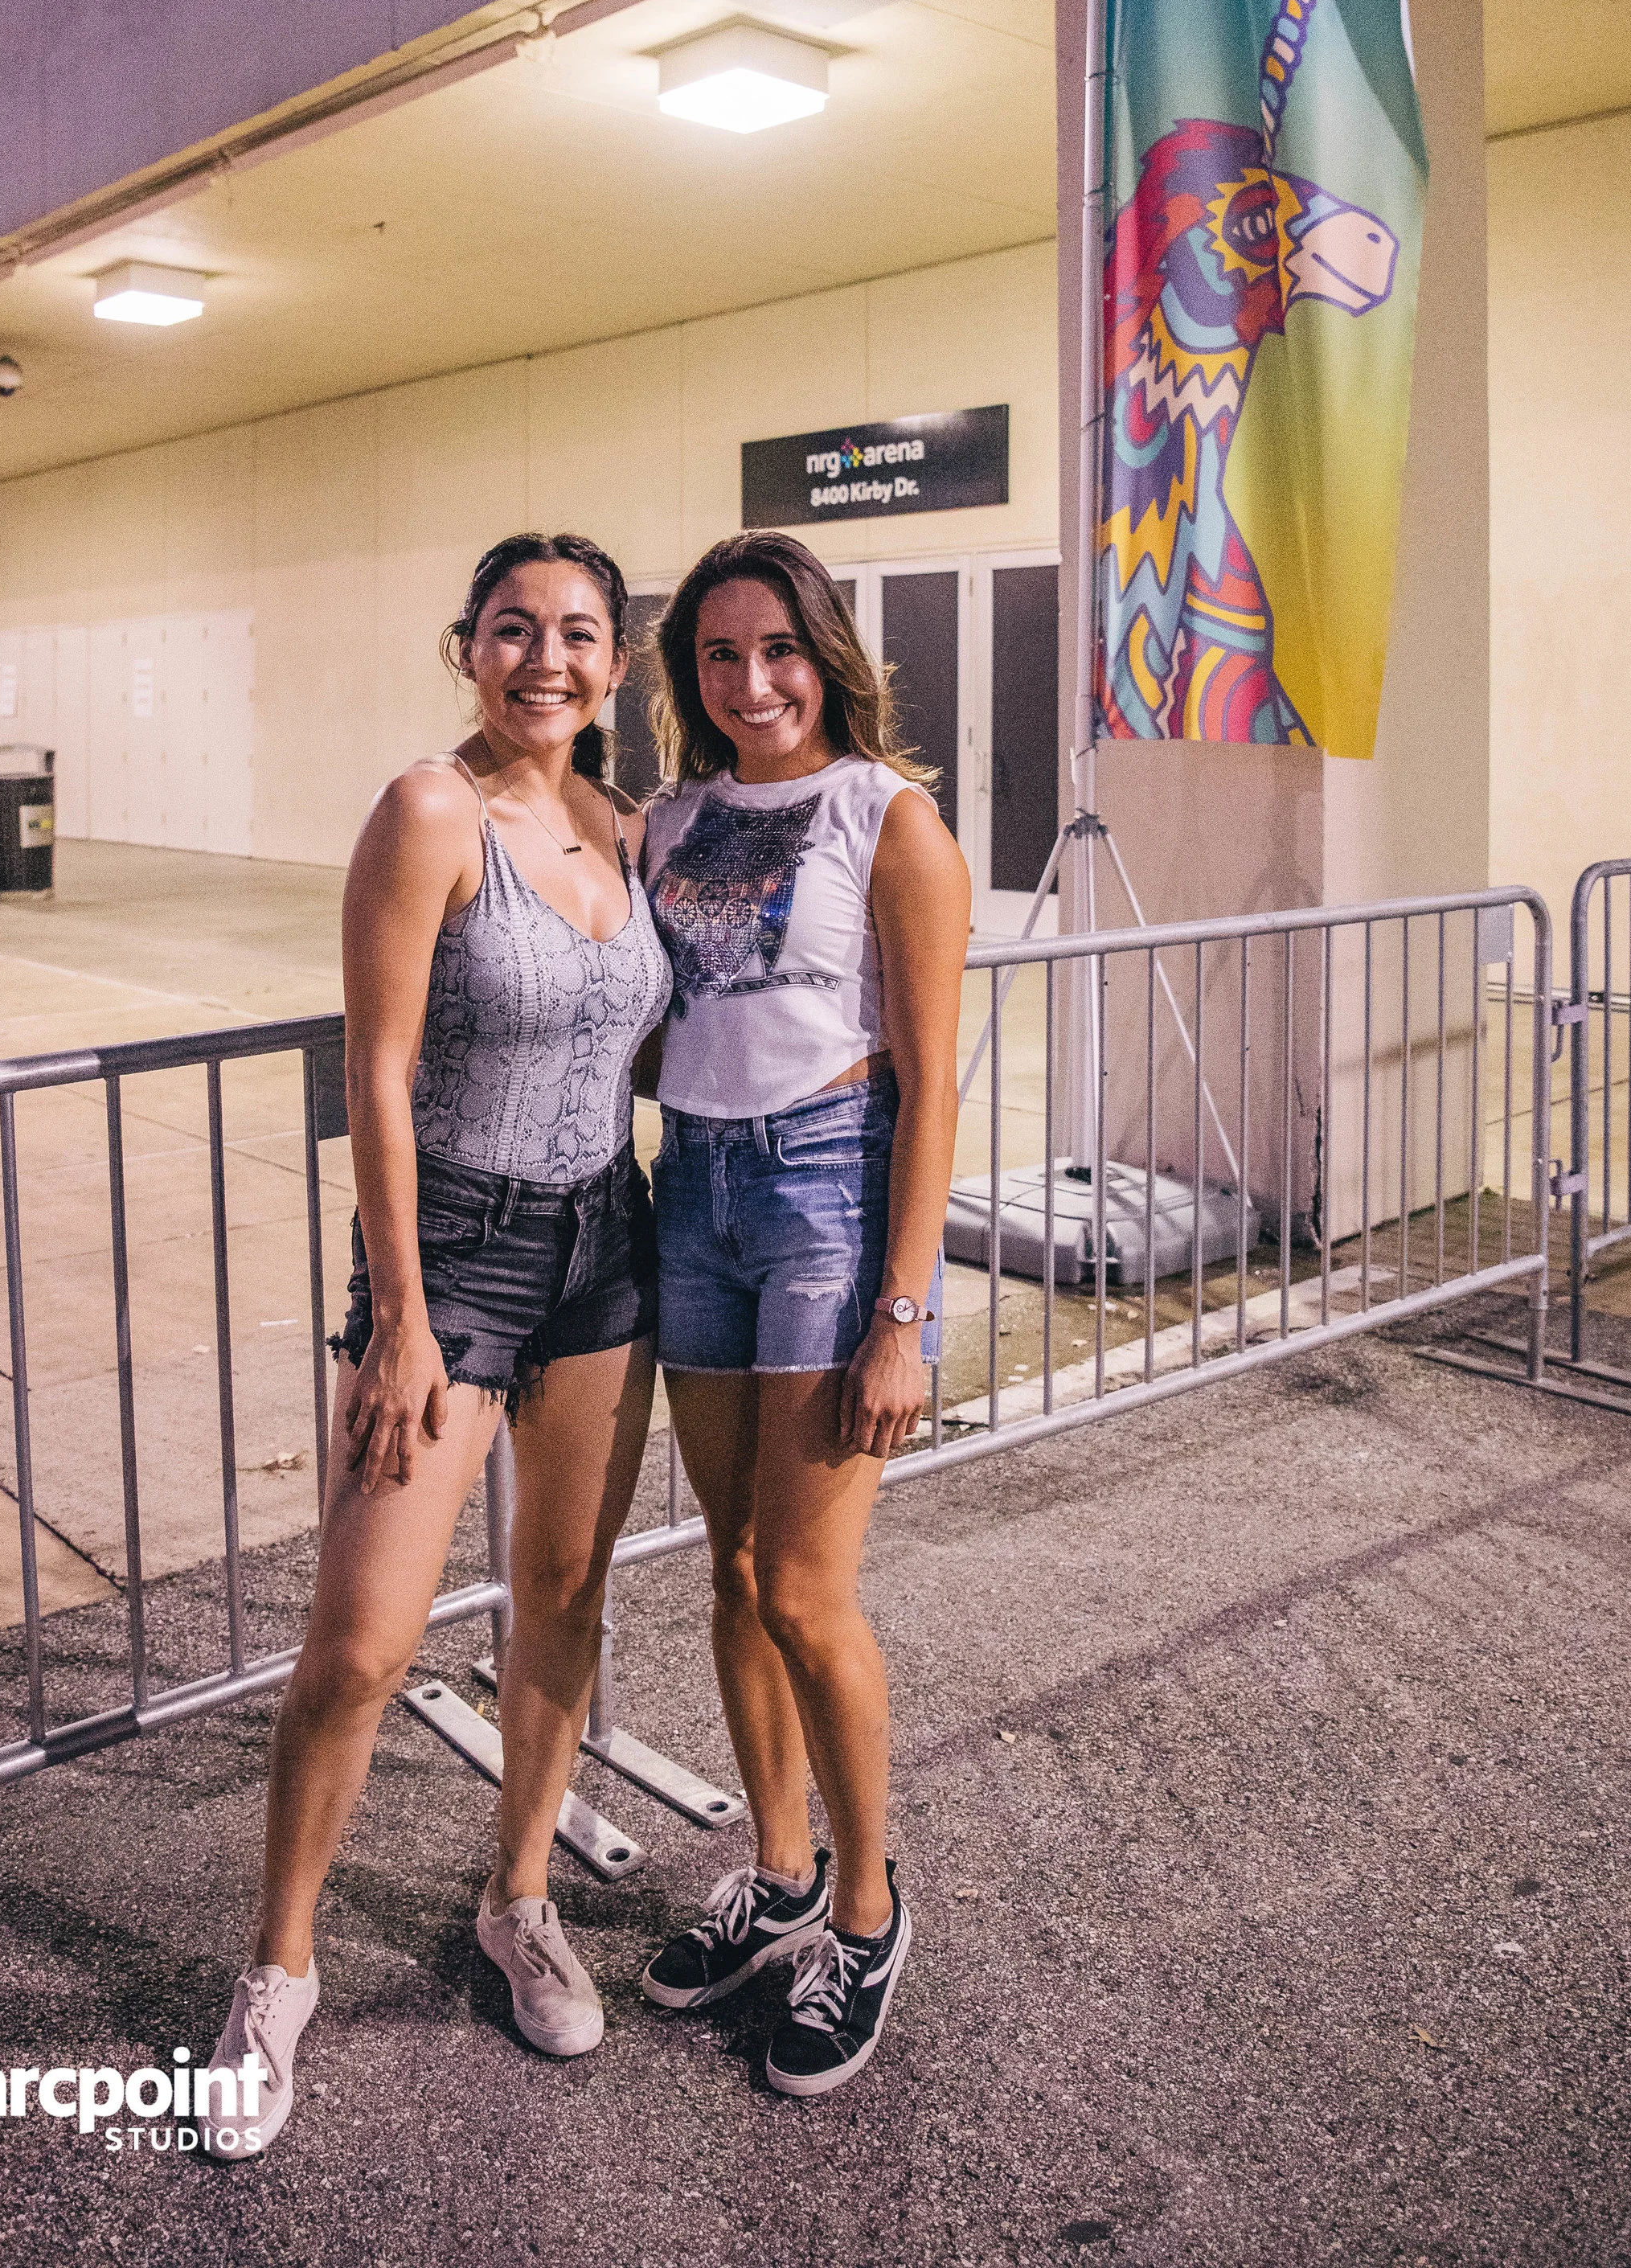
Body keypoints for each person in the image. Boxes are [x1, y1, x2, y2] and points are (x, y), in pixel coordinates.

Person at [202, 533, 672, 2157]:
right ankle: (275, 1971)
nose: (545, 658)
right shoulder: (427, 813)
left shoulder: (626, 827)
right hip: (455, 1256)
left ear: (616, 663)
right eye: (514, 628)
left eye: (578, 634)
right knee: (360, 1647)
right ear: (465, 646)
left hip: (607, 1244)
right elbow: (379, 1070)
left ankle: (517, 1895)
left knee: (560, 1596)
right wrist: (400, 1312)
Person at [635, 532, 970, 2096]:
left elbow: (927, 1081)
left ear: (823, 652)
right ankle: (773, 1872)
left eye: (775, 648)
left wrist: (902, 1314)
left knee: (804, 1587)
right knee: (730, 1565)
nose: (749, 680)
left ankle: (863, 1907)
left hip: (825, 1192)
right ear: (688, 674)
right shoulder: (673, 819)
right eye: (717, 654)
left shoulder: (886, 818)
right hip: (688, 1192)